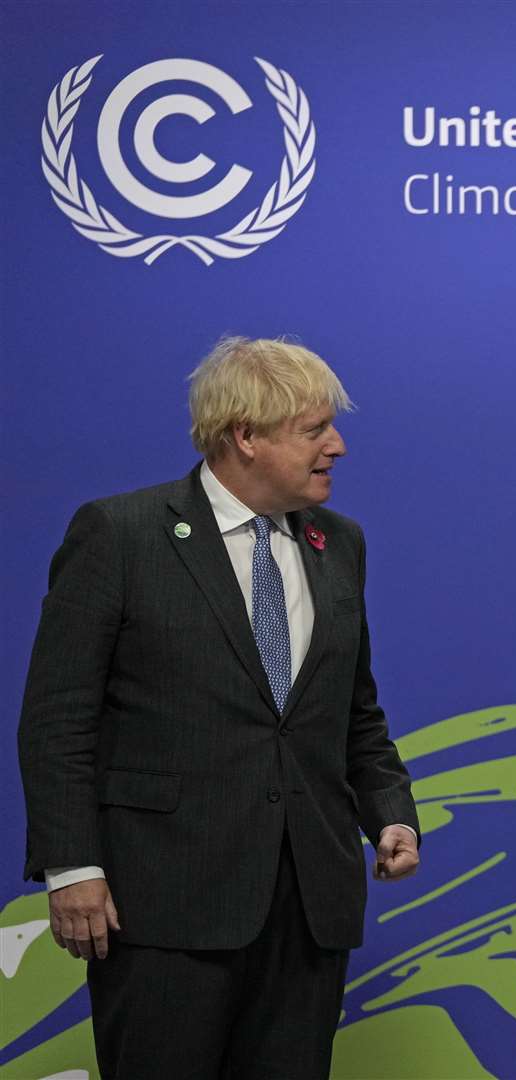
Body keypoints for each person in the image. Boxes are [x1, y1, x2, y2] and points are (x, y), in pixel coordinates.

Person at [17, 337, 421, 1078]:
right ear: (245, 435)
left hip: (308, 909)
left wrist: (389, 811)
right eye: (313, 430)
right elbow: (58, 716)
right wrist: (72, 866)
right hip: (164, 906)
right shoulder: (122, 534)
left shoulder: (341, 544)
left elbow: (352, 710)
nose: (337, 446)